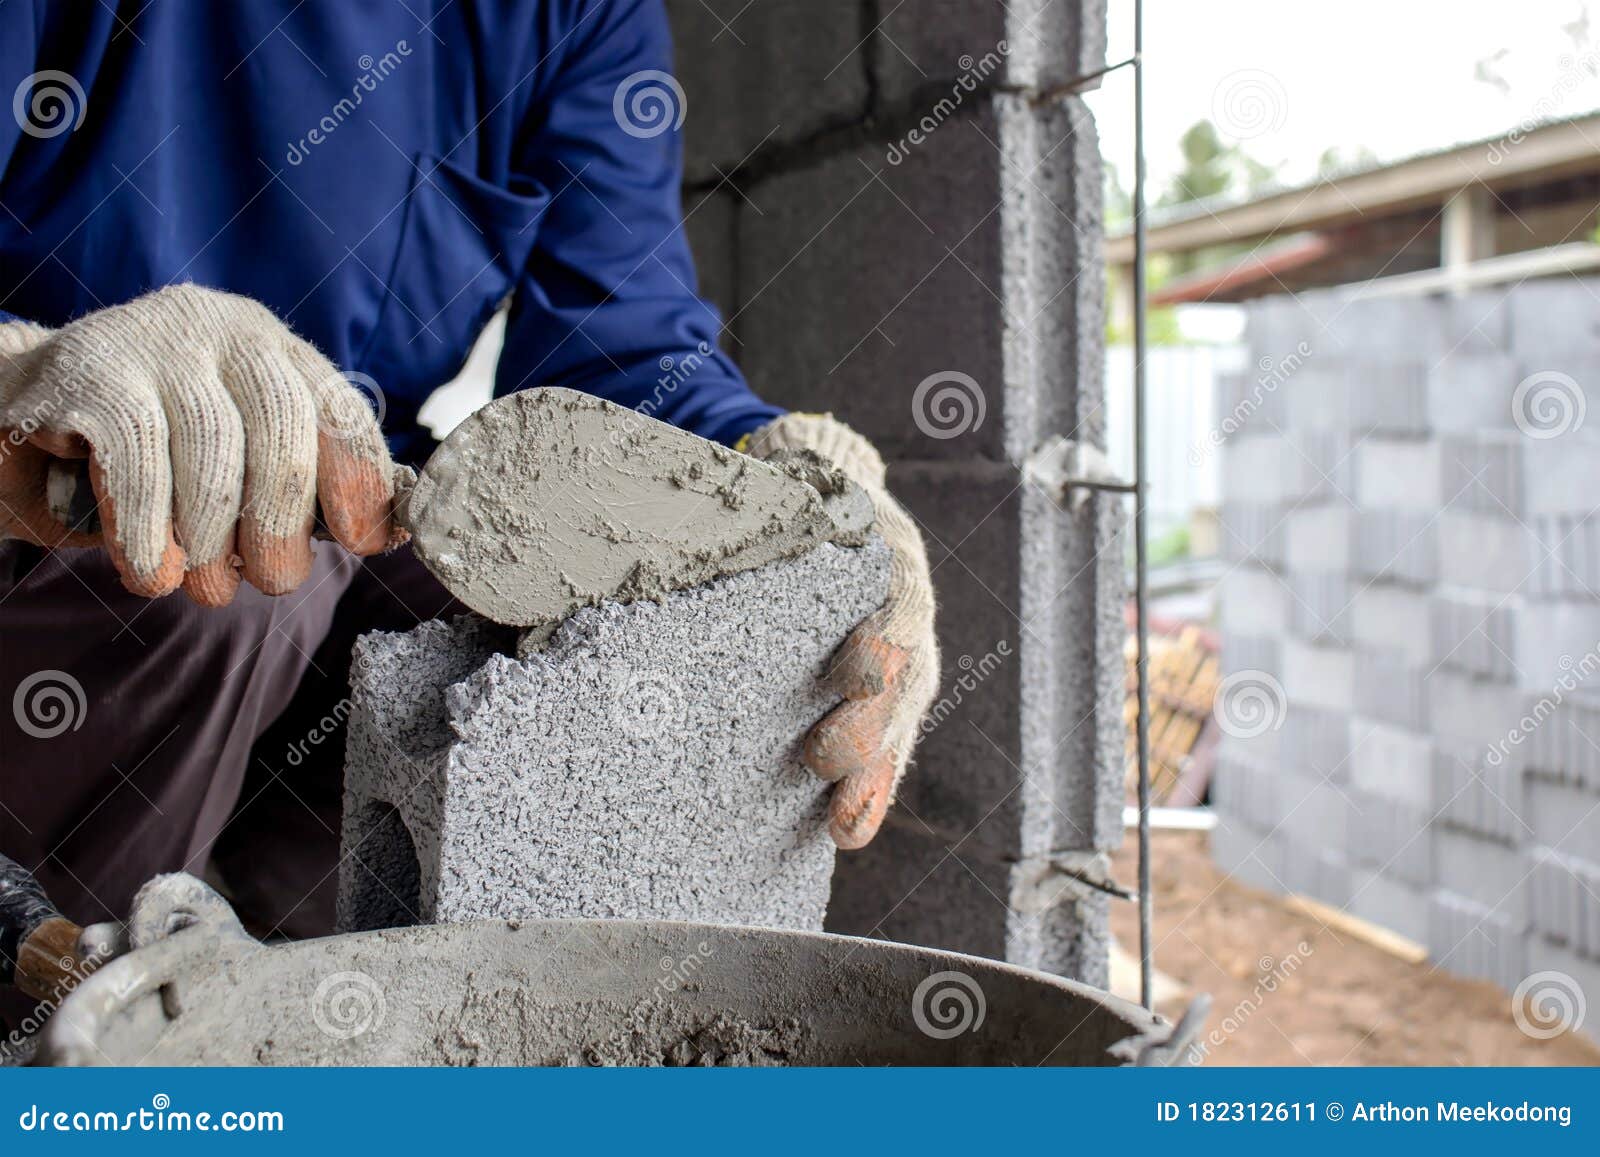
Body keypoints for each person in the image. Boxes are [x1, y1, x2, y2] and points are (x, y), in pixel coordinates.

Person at [0, 0, 937, 969]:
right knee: (214, 569)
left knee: (586, 626)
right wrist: (22, 382)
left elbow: (630, 351)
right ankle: (72, 1043)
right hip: (57, 520)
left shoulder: (572, 15)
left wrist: (808, 507)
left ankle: (361, 1010)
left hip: (338, 536)